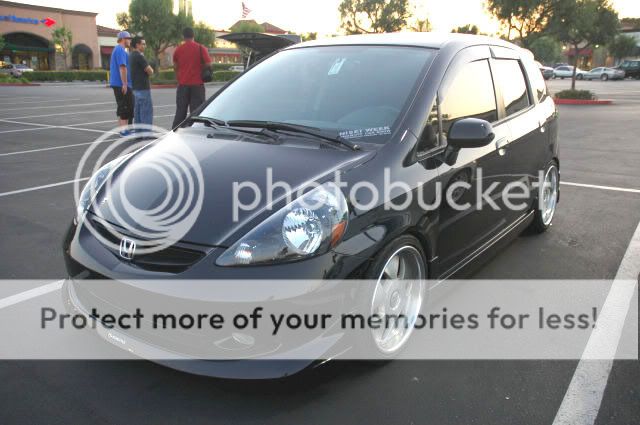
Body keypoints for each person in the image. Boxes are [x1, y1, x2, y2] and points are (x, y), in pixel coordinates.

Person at [172, 27, 212, 129]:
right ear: (193, 35)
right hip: (197, 85)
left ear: (183, 37)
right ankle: (195, 133)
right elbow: (208, 63)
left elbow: (175, 66)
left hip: (182, 85)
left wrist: (180, 75)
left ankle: (175, 133)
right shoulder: (200, 48)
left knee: (180, 112)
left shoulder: (178, 49)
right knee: (197, 112)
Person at [109, 31, 134, 136]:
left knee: (128, 106)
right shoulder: (120, 50)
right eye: (129, 38)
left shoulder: (122, 50)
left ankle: (125, 129)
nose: (130, 41)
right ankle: (124, 131)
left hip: (123, 84)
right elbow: (122, 67)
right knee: (124, 106)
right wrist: (124, 84)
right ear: (124, 39)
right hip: (121, 84)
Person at [129, 36, 154, 129]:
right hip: (143, 88)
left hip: (135, 88)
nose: (145, 46)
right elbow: (150, 71)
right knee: (146, 112)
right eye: (143, 44)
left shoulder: (131, 55)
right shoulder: (139, 56)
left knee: (138, 112)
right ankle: (146, 133)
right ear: (137, 45)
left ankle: (138, 133)